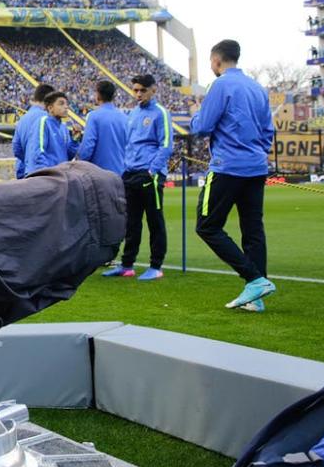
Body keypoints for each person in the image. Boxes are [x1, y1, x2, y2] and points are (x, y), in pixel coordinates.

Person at [190, 39, 277, 311]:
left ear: (216, 61)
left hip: (227, 166)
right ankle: (257, 298)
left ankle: (254, 279)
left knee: (206, 226)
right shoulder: (257, 88)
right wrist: (256, 152)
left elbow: (202, 127)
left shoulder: (220, 85)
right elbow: (268, 132)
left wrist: (195, 114)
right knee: (252, 229)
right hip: (255, 167)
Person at [104, 75, 173, 281]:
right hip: (131, 173)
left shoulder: (161, 113)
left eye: (143, 90)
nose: (138, 94)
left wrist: (153, 170)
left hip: (149, 174)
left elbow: (166, 144)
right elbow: (130, 144)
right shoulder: (132, 114)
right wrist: (126, 167)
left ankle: (156, 266)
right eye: (135, 90)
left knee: (154, 221)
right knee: (131, 221)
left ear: (153, 90)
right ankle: (127, 265)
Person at [77, 80, 127, 176]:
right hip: (120, 173)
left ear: (97, 95)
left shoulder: (94, 116)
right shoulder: (125, 118)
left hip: (98, 174)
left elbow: (87, 146)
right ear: (113, 96)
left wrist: (78, 163)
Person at [25, 91, 79, 173]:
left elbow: (68, 156)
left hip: (59, 175)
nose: (66, 107)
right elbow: (38, 151)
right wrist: (46, 174)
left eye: (66, 104)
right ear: (50, 108)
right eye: (61, 104)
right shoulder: (43, 122)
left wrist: (74, 140)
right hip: (45, 176)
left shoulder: (63, 127)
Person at [11, 83, 54, 179]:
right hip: (45, 174)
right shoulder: (47, 118)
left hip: (25, 171)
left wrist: (28, 160)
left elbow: (16, 148)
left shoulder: (23, 119)